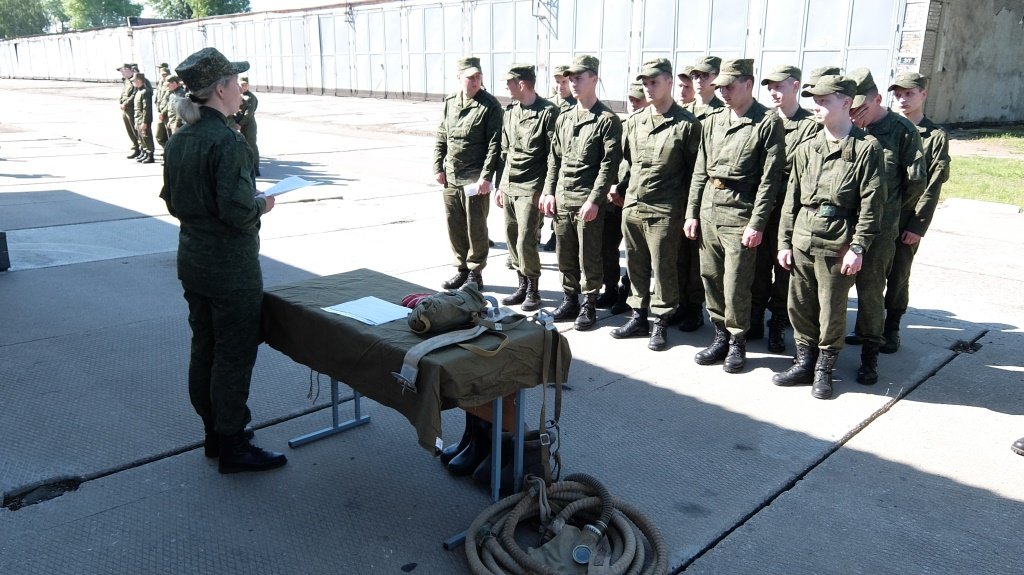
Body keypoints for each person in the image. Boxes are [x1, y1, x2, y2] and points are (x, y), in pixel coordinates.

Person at [160, 47, 286, 473]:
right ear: (220, 89)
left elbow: (172, 201)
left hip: (193, 260)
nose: (240, 90)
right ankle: (233, 444)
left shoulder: (181, 138)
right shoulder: (227, 141)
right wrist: (262, 204)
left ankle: (214, 433)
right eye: (234, 83)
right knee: (233, 354)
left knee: (205, 348)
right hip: (230, 268)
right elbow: (237, 212)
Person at [773, 74, 884, 399]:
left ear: (846, 102)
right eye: (815, 101)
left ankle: (824, 368)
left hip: (839, 241)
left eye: (824, 101)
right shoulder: (807, 148)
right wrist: (784, 242)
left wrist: (858, 247)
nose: (816, 106)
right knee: (799, 305)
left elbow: (871, 203)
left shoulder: (866, 149)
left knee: (832, 308)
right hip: (803, 238)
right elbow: (792, 200)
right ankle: (804, 362)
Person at [685, 58, 785, 373]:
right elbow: (700, 170)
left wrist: (757, 223)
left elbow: (770, 180)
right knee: (710, 276)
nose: (724, 93)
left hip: (741, 211)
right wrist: (692, 212)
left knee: (736, 282)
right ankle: (719, 335)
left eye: (729, 86)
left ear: (748, 84)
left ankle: (737, 339)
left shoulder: (767, 122)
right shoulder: (714, 120)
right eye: (721, 88)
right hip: (709, 208)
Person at [611, 58, 700, 351]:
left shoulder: (687, 124)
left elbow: (694, 173)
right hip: (634, 204)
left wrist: (689, 212)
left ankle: (661, 320)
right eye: (645, 83)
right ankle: (638, 316)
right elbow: (628, 162)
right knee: (635, 263)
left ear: (669, 82)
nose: (648, 88)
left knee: (664, 268)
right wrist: (619, 187)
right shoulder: (635, 121)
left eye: (654, 82)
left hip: (665, 209)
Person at [845, 68, 926, 385]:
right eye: (850, 108)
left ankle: (870, 355)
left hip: (880, 228)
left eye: (861, 107)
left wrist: (892, 211)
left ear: (877, 99)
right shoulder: (847, 128)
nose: (855, 114)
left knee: (871, 293)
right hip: (844, 224)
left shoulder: (902, 130)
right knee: (836, 291)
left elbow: (916, 181)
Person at [540, 54, 623, 330]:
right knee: (564, 254)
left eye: (579, 78)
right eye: (570, 79)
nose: (573, 83)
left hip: (588, 202)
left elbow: (609, 166)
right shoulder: (564, 118)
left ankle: (589, 303)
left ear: (594, 79)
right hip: (564, 198)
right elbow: (555, 159)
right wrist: (549, 191)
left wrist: (595, 200)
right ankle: (570, 299)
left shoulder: (607, 120)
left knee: (590, 256)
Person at [753, 64, 821, 353]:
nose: (773, 92)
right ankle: (754, 317)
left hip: (789, 209)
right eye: (770, 87)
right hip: (761, 208)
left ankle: (778, 322)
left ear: (795, 86)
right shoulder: (762, 120)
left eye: (779, 86)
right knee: (756, 268)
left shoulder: (811, 126)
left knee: (785, 271)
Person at [882, 72, 950, 353]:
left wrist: (917, 225)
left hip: (907, 218)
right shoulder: (885, 128)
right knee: (871, 275)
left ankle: (891, 329)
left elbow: (932, 186)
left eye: (909, 94)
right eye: (898, 94)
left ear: (923, 94)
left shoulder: (934, 137)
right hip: (879, 216)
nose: (902, 100)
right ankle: (867, 327)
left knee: (898, 275)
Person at [433, 56, 503, 290]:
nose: (474, 81)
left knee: (476, 228)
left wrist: (486, 177)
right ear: (459, 77)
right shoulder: (451, 102)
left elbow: (494, 145)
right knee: (455, 226)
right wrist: (438, 166)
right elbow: (442, 135)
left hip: (474, 178)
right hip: (452, 175)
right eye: (469, 77)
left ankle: (475, 272)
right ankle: (461, 269)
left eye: (478, 77)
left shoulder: (490, 105)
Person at [495, 63, 557, 312]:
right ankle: (521, 285)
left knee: (525, 241)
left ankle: (533, 289)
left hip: (532, 188)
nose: (506, 87)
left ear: (521, 84)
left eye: (509, 83)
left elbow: (553, 156)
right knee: (511, 238)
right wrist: (501, 186)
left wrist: (547, 190)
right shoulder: (510, 112)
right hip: (510, 185)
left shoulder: (548, 112)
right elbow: (505, 152)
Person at [596, 83, 648, 313]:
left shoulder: (648, 128)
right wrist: (611, 189)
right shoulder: (622, 125)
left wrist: (622, 188)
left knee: (636, 252)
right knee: (607, 247)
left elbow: (641, 166)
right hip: (613, 197)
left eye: (638, 100)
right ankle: (610, 289)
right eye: (631, 99)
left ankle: (627, 292)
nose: (633, 104)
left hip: (634, 196)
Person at [543, 64, 577, 253]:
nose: (560, 86)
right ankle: (534, 235)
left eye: (564, 82)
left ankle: (556, 234)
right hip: (546, 158)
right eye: (557, 82)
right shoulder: (548, 104)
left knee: (559, 199)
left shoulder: (577, 104)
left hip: (564, 158)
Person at [684, 56, 725, 120]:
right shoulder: (683, 111)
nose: (699, 80)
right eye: (696, 75)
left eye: (705, 75)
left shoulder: (724, 112)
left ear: (717, 77)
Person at [235, 76, 261, 176]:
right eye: (242, 85)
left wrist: (239, 124)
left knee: (251, 145)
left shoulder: (250, 97)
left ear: (248, 85)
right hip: (242, 123)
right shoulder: (240, 95)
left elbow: (248, 114)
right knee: (245, 146)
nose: (244, 87)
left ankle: (255, 168)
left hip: (249, 124)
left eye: (245, 85)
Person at [118, 63, 141, 159]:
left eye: (122, 70)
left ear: (128, 69)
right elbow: (124, 93)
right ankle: (135, 147)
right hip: (125, 109)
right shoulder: (126, 80)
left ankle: (142, 148)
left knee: (135, 130)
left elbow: (135, 93)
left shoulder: (134, 79)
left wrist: (126, 103)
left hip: (131, 108)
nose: (121, 73)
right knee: (129, 130)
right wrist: (121, 102)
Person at [131, 72, 155, 164]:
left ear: (138, 80)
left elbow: (146, 108)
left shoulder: (145, 92)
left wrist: (144, 122)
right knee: (141, 137)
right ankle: (145, 152)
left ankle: (150, 155)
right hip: (138, 118)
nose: (133, 82)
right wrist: (136, 121)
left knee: (146, 137)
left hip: (143, 119)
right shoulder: (138, 91)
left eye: (134, 80)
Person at [154, 63, 171, 155]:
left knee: (169, 135)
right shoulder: (160, 81)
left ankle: (169, 152)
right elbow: (158, 95)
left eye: (164, 73)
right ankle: (166, 149)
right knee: (159, 135)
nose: (162, 75)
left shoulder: (170, 82)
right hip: (161, 112)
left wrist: (163, 113)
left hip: (168, 113)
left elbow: (170, 100)